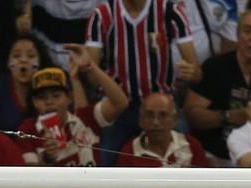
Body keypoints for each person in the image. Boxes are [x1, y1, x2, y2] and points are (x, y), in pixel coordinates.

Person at [86, 0, 201, 149]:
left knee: (186, 153)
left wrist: (191, 72)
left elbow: (197, 73)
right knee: (103, 160)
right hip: (117, 105)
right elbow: (92, 79)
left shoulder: (171, 12)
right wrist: (86, 66)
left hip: (160, 102)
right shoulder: (101, 15)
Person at [184, 7, 251, 164]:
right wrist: (228, 116)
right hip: (213, 159)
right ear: (237, 35)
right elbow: (192, 115)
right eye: (247, 31)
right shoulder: (215, 68)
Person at [16, 57, 126, 166]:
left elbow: (120, 103)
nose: (49, 102)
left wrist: (91, 66)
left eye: (56, 96)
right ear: (35, 102)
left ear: (69, 97)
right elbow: (29, 177)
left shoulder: (85, 117)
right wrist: (47, 159)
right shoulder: (28, 130)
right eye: (42, 97)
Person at [0, 33, 55, 133]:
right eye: (16, 56)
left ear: (40, 62)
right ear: (8, 62)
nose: (23, 60)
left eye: (31, 56)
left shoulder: (52, 88)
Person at [117, 92, 209, 167]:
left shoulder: (191, 146)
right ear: (140, 120)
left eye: (163, 115)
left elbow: (207, 185)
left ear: (175, 120)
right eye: (149, 115)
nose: (156, 122)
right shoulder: (129, 153)